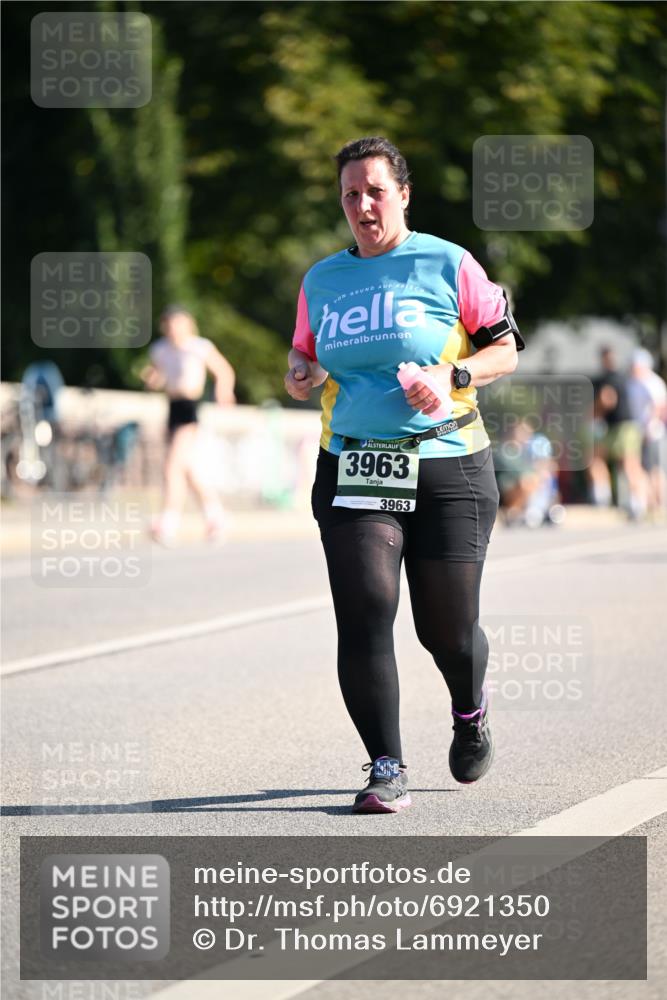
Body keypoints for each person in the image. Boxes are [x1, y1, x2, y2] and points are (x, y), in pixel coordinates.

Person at [284, 136, 524, 814]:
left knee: (446, 631)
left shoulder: (449, 263)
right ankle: (385, 766)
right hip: (354, 463)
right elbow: (305, 358)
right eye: (350, 195)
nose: (362, 206)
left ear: (404, 195)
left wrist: (452, 376)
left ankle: (469, 711)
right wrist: (300, 373)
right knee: (365, 610)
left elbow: (504, 350)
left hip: (448, 462)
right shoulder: (322, 280)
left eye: (375, 192)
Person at [141, 305, 236, 545]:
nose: (174, 330)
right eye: (170, 325)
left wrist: (223, 391)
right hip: (172, 408)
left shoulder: (199, 347)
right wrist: (152, 379)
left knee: (172, 466)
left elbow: (224, 371)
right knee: (189, 470)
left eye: (179, 324)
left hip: (190, 409)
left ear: (188, 325)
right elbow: (159, 376)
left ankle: (168, 522)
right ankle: (215, 516)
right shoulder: (160, 349)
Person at [590, 346, 645, 518]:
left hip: (624, 427)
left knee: (629, 464)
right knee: (597, 458)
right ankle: (603, 496)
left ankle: (638, 503)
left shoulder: (613, 378)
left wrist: (593, 414)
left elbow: (608, 399)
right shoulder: (616, 377)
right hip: (614, 427)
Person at [628, 348, 667, 518]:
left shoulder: (653, 382)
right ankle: (648, 504)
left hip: (653, 433)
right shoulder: (632, 383)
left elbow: (659, 406)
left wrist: (650, 426)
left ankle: (659, 504)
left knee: (655, 469)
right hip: (637, 433)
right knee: (642, 468)